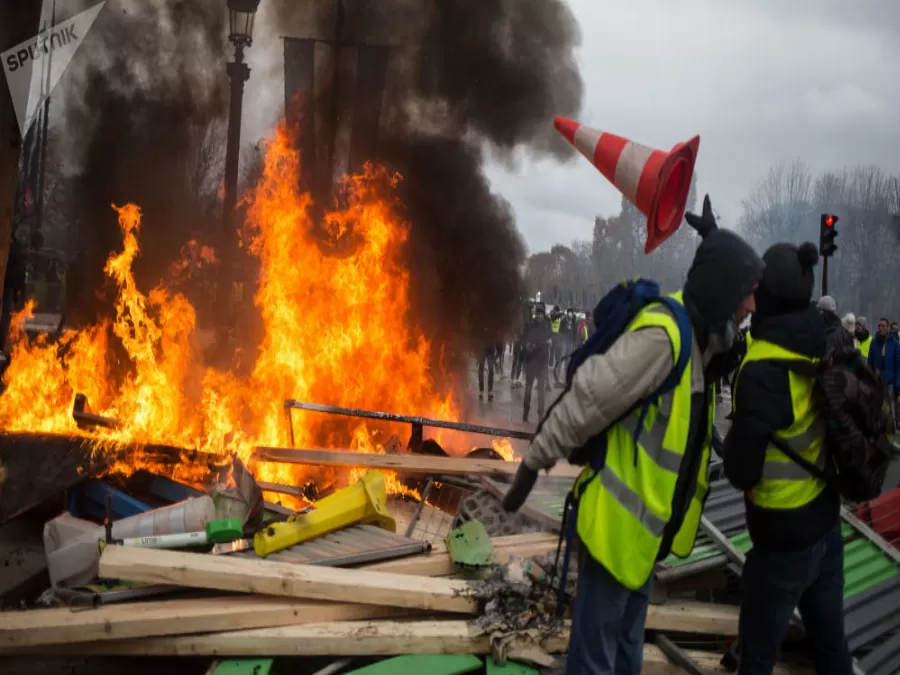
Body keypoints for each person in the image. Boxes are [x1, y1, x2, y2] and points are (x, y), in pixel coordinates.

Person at [503, 195, 764, 675]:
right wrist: (533, 461)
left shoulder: (700, 341)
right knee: (595, 663)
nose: (752, 304)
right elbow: (587, 399)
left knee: (623, 660)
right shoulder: (664, 336)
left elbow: (726, 325)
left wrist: (714, 240)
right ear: (726, 290)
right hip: (613, 536)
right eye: (747, 292)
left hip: (643, 540)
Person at [724, 242, 851, 675]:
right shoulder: (821, 342)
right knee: (833, 652)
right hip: (825, 528)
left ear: (769, 298)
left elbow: (742, 472)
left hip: (781, 542)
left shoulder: (761, 369)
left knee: (757, 659)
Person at [521, 303, 552, 423]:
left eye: (541, 314)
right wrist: (527, 346)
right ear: (535, 315)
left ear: (543, 315)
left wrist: (549, 341)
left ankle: (540, 414)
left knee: (541, 391)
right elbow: (523, 339)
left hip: (542, 362)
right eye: (537, 314)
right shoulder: (530, 325)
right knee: (528, 389)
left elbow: (550, 338)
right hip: (531, 362)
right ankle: (525, 412)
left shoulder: (546, 326)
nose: (539, 316)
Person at [868, 317, 900, 423]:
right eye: (879, 326)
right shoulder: (874, 342)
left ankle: (892, 432)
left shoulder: (894, 344)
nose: (880, 328)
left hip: (890, 381)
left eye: (883, 326)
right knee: (877, 408)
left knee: (890, 408)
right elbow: (870, 362)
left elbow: (898, 365)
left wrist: (897, 385)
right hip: (877, 381)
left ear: (888, 328)